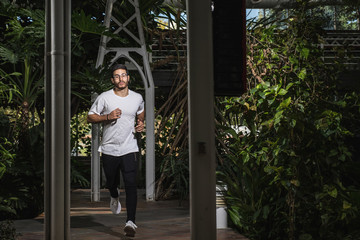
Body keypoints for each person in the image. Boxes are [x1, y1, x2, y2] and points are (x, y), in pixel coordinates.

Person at [87, 63, 144, 237]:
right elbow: (90, 116)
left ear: (128, 77)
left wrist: (140, 123)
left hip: (130, 148)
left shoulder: (137, 97)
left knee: (131, 185)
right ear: (113, 80)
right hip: (110, 148)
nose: (121, 79)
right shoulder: (105, 97)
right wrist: (107, 116)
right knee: (111, 181)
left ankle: (131, 222)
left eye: (124, 75)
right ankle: (114, 195)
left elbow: (140, 111)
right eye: (117, 76)